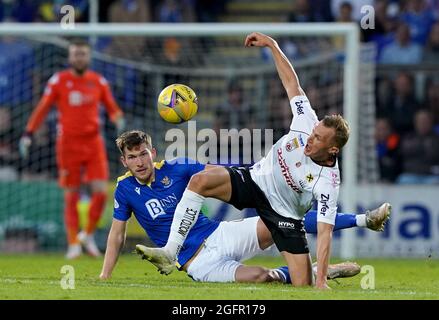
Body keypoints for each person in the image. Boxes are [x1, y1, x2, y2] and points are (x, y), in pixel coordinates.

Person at [136, 32, 387, 290]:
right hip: (255, 180)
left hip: (283, 213)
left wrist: (320, 281)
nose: (310, 139)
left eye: (318, 138)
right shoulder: (305, 121)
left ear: (332, 150)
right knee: (200, 181)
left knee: (303, 284)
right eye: (313, 133)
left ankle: (317, 272)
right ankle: (170, 251)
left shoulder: (328, 182)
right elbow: (292, 83)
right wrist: (273, 45)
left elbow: (324, 232)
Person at [100, 131, 390, 283]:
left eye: (143, 154)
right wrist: (105, 275)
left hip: (220, 234)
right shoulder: (124, 189)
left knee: (284, 218)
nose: (140, 162)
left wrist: (253, 176)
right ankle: (317, 272)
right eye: (132, 157)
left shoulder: (177, 168)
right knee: (261, 277)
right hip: (198, 263)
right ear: (124, 161)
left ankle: (364, 220)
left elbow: (218, 172)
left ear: (153, 153)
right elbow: (117, 235)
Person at [19, 39, 125, 259]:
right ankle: (73, 243)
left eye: (83, 54)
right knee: (71, 194)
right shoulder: (59, 81)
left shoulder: (98, 82)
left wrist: (119, 120)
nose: (79, 57)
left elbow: (113, 108)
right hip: (67, 144)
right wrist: (28, 133)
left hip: (94, 142)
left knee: (101, 192)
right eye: (76, 54)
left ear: (89, 57)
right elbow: (42, 107)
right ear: (70, 57)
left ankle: (87, 234)